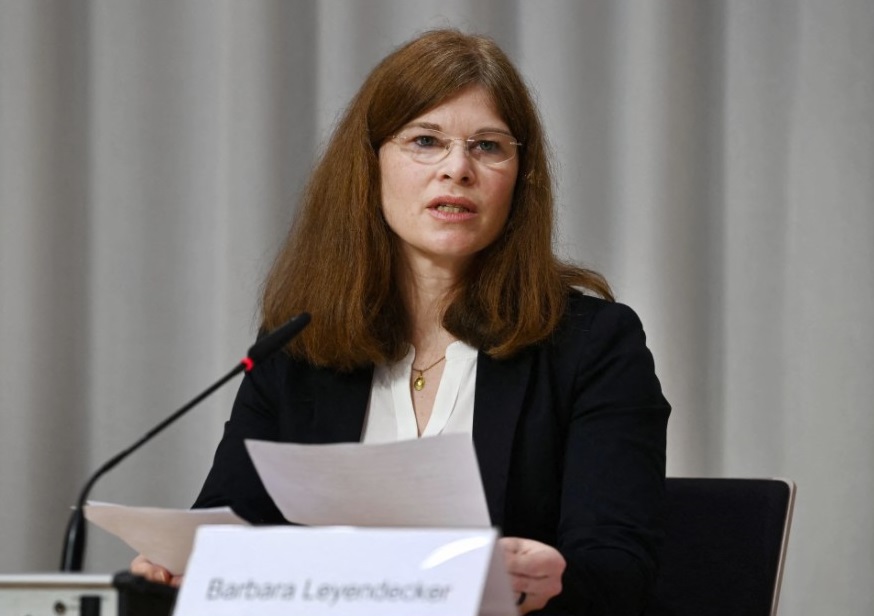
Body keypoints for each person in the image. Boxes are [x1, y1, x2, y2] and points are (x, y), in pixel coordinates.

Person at [132, 28, 670, 615]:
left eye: (488, 146)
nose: (457, 169)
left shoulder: (592, 346)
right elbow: (228, 529)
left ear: (520, 178)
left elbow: (618, 571)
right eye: (425, 140)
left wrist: (552, 582)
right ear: (371, 166)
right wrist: (179, 568)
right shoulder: (298, 347)